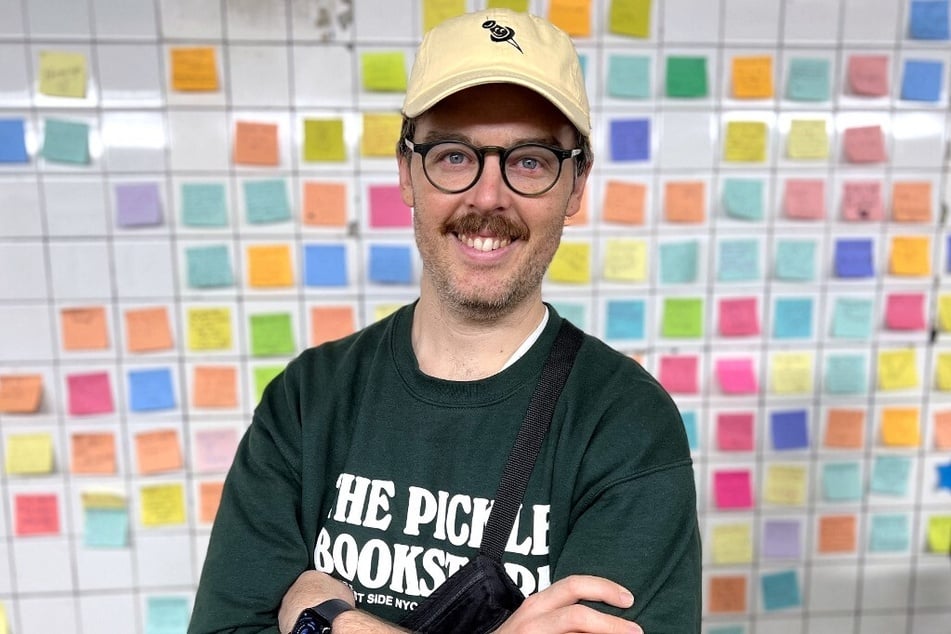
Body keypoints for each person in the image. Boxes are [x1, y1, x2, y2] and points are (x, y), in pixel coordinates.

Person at [189, 8, 700, 634]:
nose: (488, 197)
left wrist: (333, 622)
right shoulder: (309, 400)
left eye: (531, 160)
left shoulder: (623, 425)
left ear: (576, 185)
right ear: (407, 171)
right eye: (455, 156)